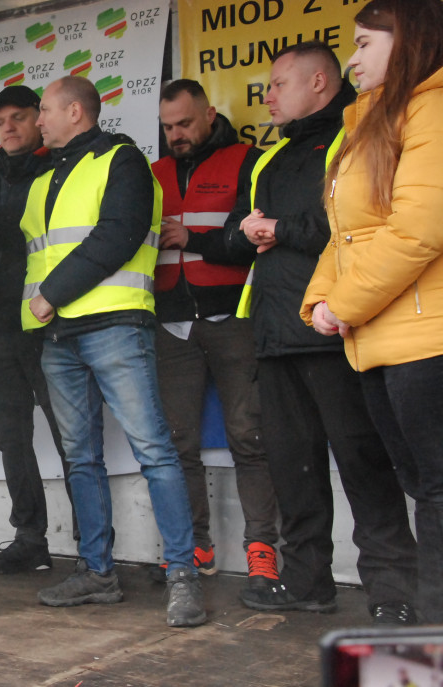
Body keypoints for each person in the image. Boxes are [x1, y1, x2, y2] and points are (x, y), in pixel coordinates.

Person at [225, 42, 418, 622]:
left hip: (335, 325)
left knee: (364, 465)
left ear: (318, 82)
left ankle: (393, 592)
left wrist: (280, 228)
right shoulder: (268, 155)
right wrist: (250, 233)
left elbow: (355, 224)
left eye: (280, 84)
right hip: (274, 331)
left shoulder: (355, 136)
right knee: (292, 466)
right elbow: (238, 234)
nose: (269, 96)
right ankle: (307, 581)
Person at [25, 76, 205, 628]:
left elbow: (118, 234)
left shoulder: (122, 160)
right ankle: (97, 572)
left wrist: (49, 297)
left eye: (45, 111)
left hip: (114, 326)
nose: (37, 121)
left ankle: (183, 576)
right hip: (57, 337)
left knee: (155, 450)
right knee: (80, 457)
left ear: (76, 112)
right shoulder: (44, 176)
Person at [301, 0, 443, 624]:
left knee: (438, 493)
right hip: (380, 339)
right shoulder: (368, 123)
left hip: (428, 339)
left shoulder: (434, 109)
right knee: (425, 490)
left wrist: (345, 302)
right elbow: (346, 234)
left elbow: (418, 229)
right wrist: (320, 303)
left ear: (407, 39)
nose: (351, 59)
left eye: (363, 44)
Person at [150, 80, 280, 587]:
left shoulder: (248, 160)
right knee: (176, 443)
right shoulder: (152, 173)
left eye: (184, 123)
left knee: (249, 437)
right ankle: (192, 547)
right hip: (171, 324)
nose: (176, 134)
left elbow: (260, 237)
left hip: (235, 319)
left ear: (208, 114)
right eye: (167, 127)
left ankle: (261, 549)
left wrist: (195, 239)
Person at [0, 85, 75, 575]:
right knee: (10, 438)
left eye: (18, 118)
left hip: (47, 321)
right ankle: (29, 537)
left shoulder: (59, 167)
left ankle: (91, 544)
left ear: (41, 118)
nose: (9, 128)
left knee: (70, 435)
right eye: (0, 122)